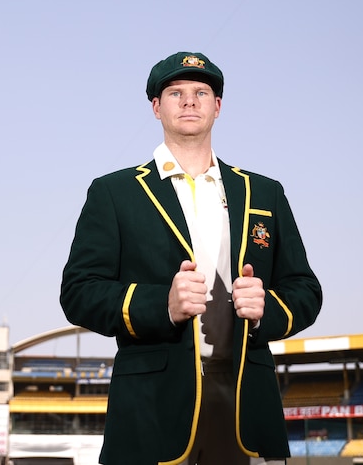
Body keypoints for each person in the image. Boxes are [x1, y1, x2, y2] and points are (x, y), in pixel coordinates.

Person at [60, 51, 323, 465]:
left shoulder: (265, 192)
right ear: (156, 107)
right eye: (175, 92)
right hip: (151, 405)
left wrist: (267, 306)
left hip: (243, 398)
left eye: (201, 92)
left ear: (217, 107)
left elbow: (306, 290)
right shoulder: (114, 192)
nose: (189, 101)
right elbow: (78, 293)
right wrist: (160, 303)